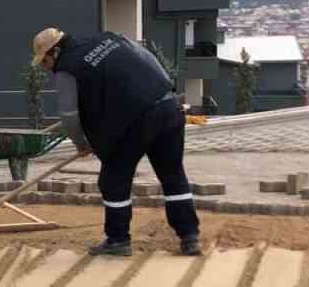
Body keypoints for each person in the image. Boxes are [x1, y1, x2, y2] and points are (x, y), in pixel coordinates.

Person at [32, 27, 201, 257]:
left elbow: (69, 115)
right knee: (172, 173)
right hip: (168, 106)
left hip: (133, 121)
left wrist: (81, 144)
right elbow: (148, 58)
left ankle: (118, 240)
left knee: (113, 180)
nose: (46, 67)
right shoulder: (109, 38)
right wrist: (166, 91)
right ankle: (190, 237)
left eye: (45, 61)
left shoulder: (67, 68)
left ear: (56, 51)